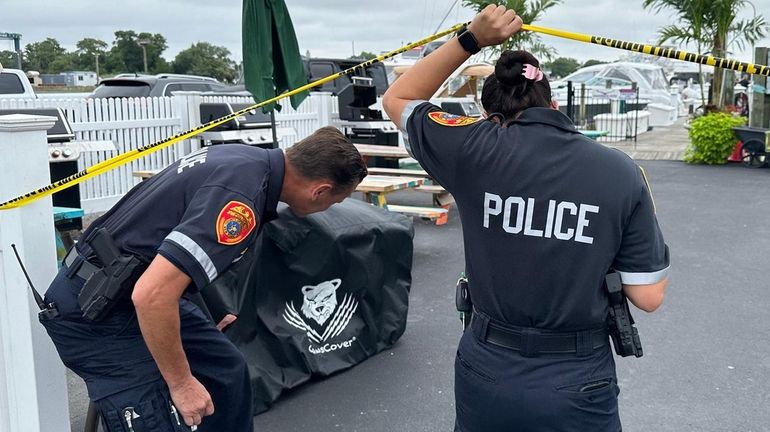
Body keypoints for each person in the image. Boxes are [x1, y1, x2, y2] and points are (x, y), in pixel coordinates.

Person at [383, 5, 669, 432]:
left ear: (487, 115)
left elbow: (398, 99)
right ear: (553, 104)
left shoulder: (472, 150)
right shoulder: (619, 171)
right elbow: (648, 296)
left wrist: (472, 38)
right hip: (577, 377)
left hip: (488, 367)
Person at [40, 126, 367, 432]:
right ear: (319, 190)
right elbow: (152, 295)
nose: (329, 208)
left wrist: (210, 311)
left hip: (125, 285)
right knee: (156, 413)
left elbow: (166, 247)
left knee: (226, 372)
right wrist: (182, 384)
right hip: (95, 313)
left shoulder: (243, 160)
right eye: (334, 201)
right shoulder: (241, 201)